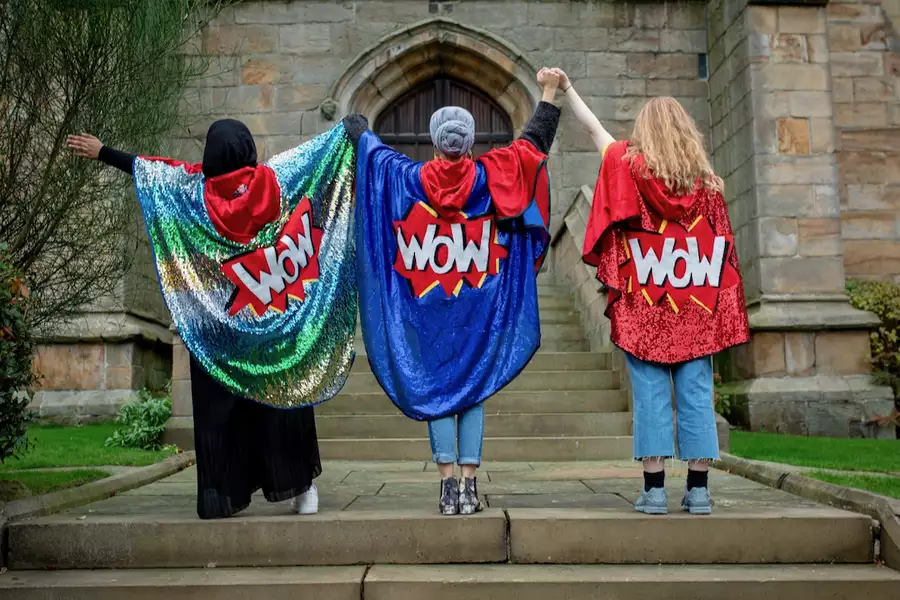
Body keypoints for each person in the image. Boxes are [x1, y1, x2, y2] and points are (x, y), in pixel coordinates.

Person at [66, 115, 368, 519]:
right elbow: (317, 157)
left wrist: (102, 151)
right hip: (273, 325)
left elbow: (149, 169)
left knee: (220, 409)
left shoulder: (191, 191)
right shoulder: (278, 180)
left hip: (219, 331)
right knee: (285, 395)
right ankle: (301, 488)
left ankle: (222, 494)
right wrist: (345, 134)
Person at [354, 69, 561, 515]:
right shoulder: (493, 177)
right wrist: (548, 92)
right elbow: (533, 147)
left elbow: (373, 160)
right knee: (473, 390)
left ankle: (446, 487)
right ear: (469, 143)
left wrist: (359, 135)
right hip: (477, 312)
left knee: (437, 391)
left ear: (434, 142)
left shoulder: (405, 179)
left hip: (427, 315)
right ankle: (470, 485)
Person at [554, 68, 750, 515]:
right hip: (696, 304)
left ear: (645, 132)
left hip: (645, 303)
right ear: (687, 134)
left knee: (650, 396)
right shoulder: (708, 187)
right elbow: (722, 255)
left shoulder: (626, 167)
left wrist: (567, 90)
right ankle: (699, 491)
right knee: (698, 393)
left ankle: (655, 491)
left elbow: (594, 129)